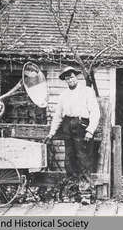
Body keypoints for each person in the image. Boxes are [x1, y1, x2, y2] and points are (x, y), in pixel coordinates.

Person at [44, 66, 100, 205]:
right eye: (67, 78)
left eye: (72, 76)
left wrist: (90, 130)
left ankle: (86, 194)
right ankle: (73, 192)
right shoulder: (63, 96)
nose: (70, 79)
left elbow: (95, 112)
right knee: (70, 160)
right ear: (65, 80)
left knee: (84, 160)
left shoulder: (87, 91)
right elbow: (58, 116)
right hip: (67, 126)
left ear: (77, 77)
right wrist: (51, 133)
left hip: (82, 126)